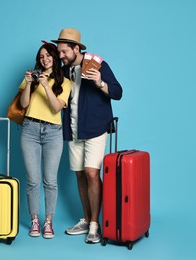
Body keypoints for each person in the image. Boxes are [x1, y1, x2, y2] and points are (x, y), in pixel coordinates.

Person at [51, 28, 122, 243]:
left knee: (92, 173)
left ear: (76, 48)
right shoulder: (63, 72)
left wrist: (100, 81)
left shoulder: (97, 64)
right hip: (73, 129)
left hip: (95, 128)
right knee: (80, 174)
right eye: (59, 52)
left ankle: (94, 224)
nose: (61, 56)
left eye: (64, 52)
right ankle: (86, 219)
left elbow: (118, 92)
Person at [19, 41, 72, 239]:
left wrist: (45, 85)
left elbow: (56, 108)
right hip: (30, 129)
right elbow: (24, 104)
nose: (45, 59)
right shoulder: (32, 77)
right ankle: (34, 219)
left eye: (48, 55)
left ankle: (48, 222)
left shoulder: (65, 82)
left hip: (52, 132)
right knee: (32, 180)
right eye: (41, 57)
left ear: (55, 57)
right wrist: (29, 84)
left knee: (50, 180)